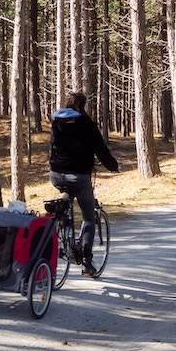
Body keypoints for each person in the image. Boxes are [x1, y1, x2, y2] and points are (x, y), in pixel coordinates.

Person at [49, 92, 118, 276]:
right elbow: (100, 148)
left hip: (55, 174)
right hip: (78, 176)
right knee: (88, 217)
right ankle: (87, 264)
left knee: (65, 203)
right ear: (83, 106)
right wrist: (112, 166)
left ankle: (62, 230)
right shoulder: (86, 123)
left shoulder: (57, 121)